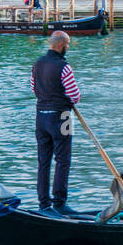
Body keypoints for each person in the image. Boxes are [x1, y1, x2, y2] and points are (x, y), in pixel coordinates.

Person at [30, 30, 81, 216]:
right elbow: (75, 96)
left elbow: (33, 88)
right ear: (61, 45)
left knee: (43, 161)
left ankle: (44, 204)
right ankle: (59, 202)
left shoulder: (37, 64)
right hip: (62, 116)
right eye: (67, 45)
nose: (67, 48)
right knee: (63, 159)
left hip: (41, 116)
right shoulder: (64, 67)